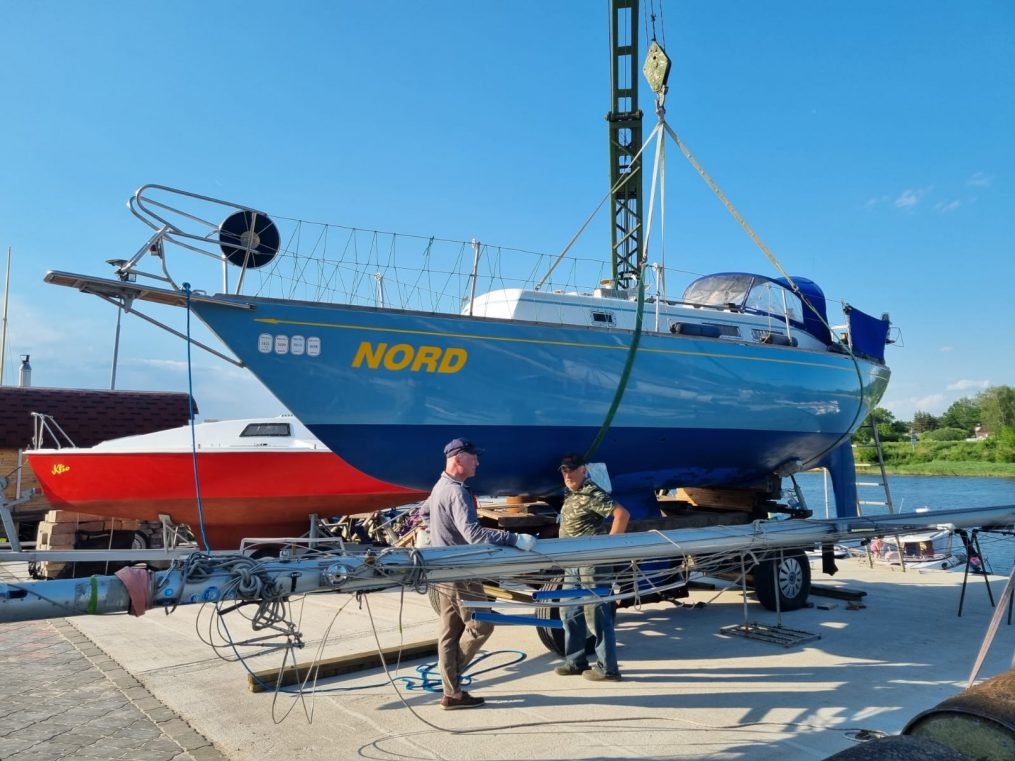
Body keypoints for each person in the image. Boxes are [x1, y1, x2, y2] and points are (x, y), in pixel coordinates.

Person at [425, 437, 536, 710]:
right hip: (462, 572)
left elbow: (424, 514)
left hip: (443, 570)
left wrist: (438, 539)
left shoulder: (439, 487)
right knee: (482, 625)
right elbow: (474, 535)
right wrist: (513, 539)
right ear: (458, 459)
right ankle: (452, 684)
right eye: (473, 456)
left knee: (449, 632)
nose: (477, 461)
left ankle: (452, 692)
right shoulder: (456, 491)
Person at [554, 453, 629, 682]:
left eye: (572, 470)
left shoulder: (592, 492)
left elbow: (622, 514)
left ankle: (608, 669)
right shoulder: (570, 493)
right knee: (570, 612)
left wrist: (608, 549)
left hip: (591, 565)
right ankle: (575, 661)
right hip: (572, 564)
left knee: (597, 615)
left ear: (584, 471)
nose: (567, 475)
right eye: (564, 471)